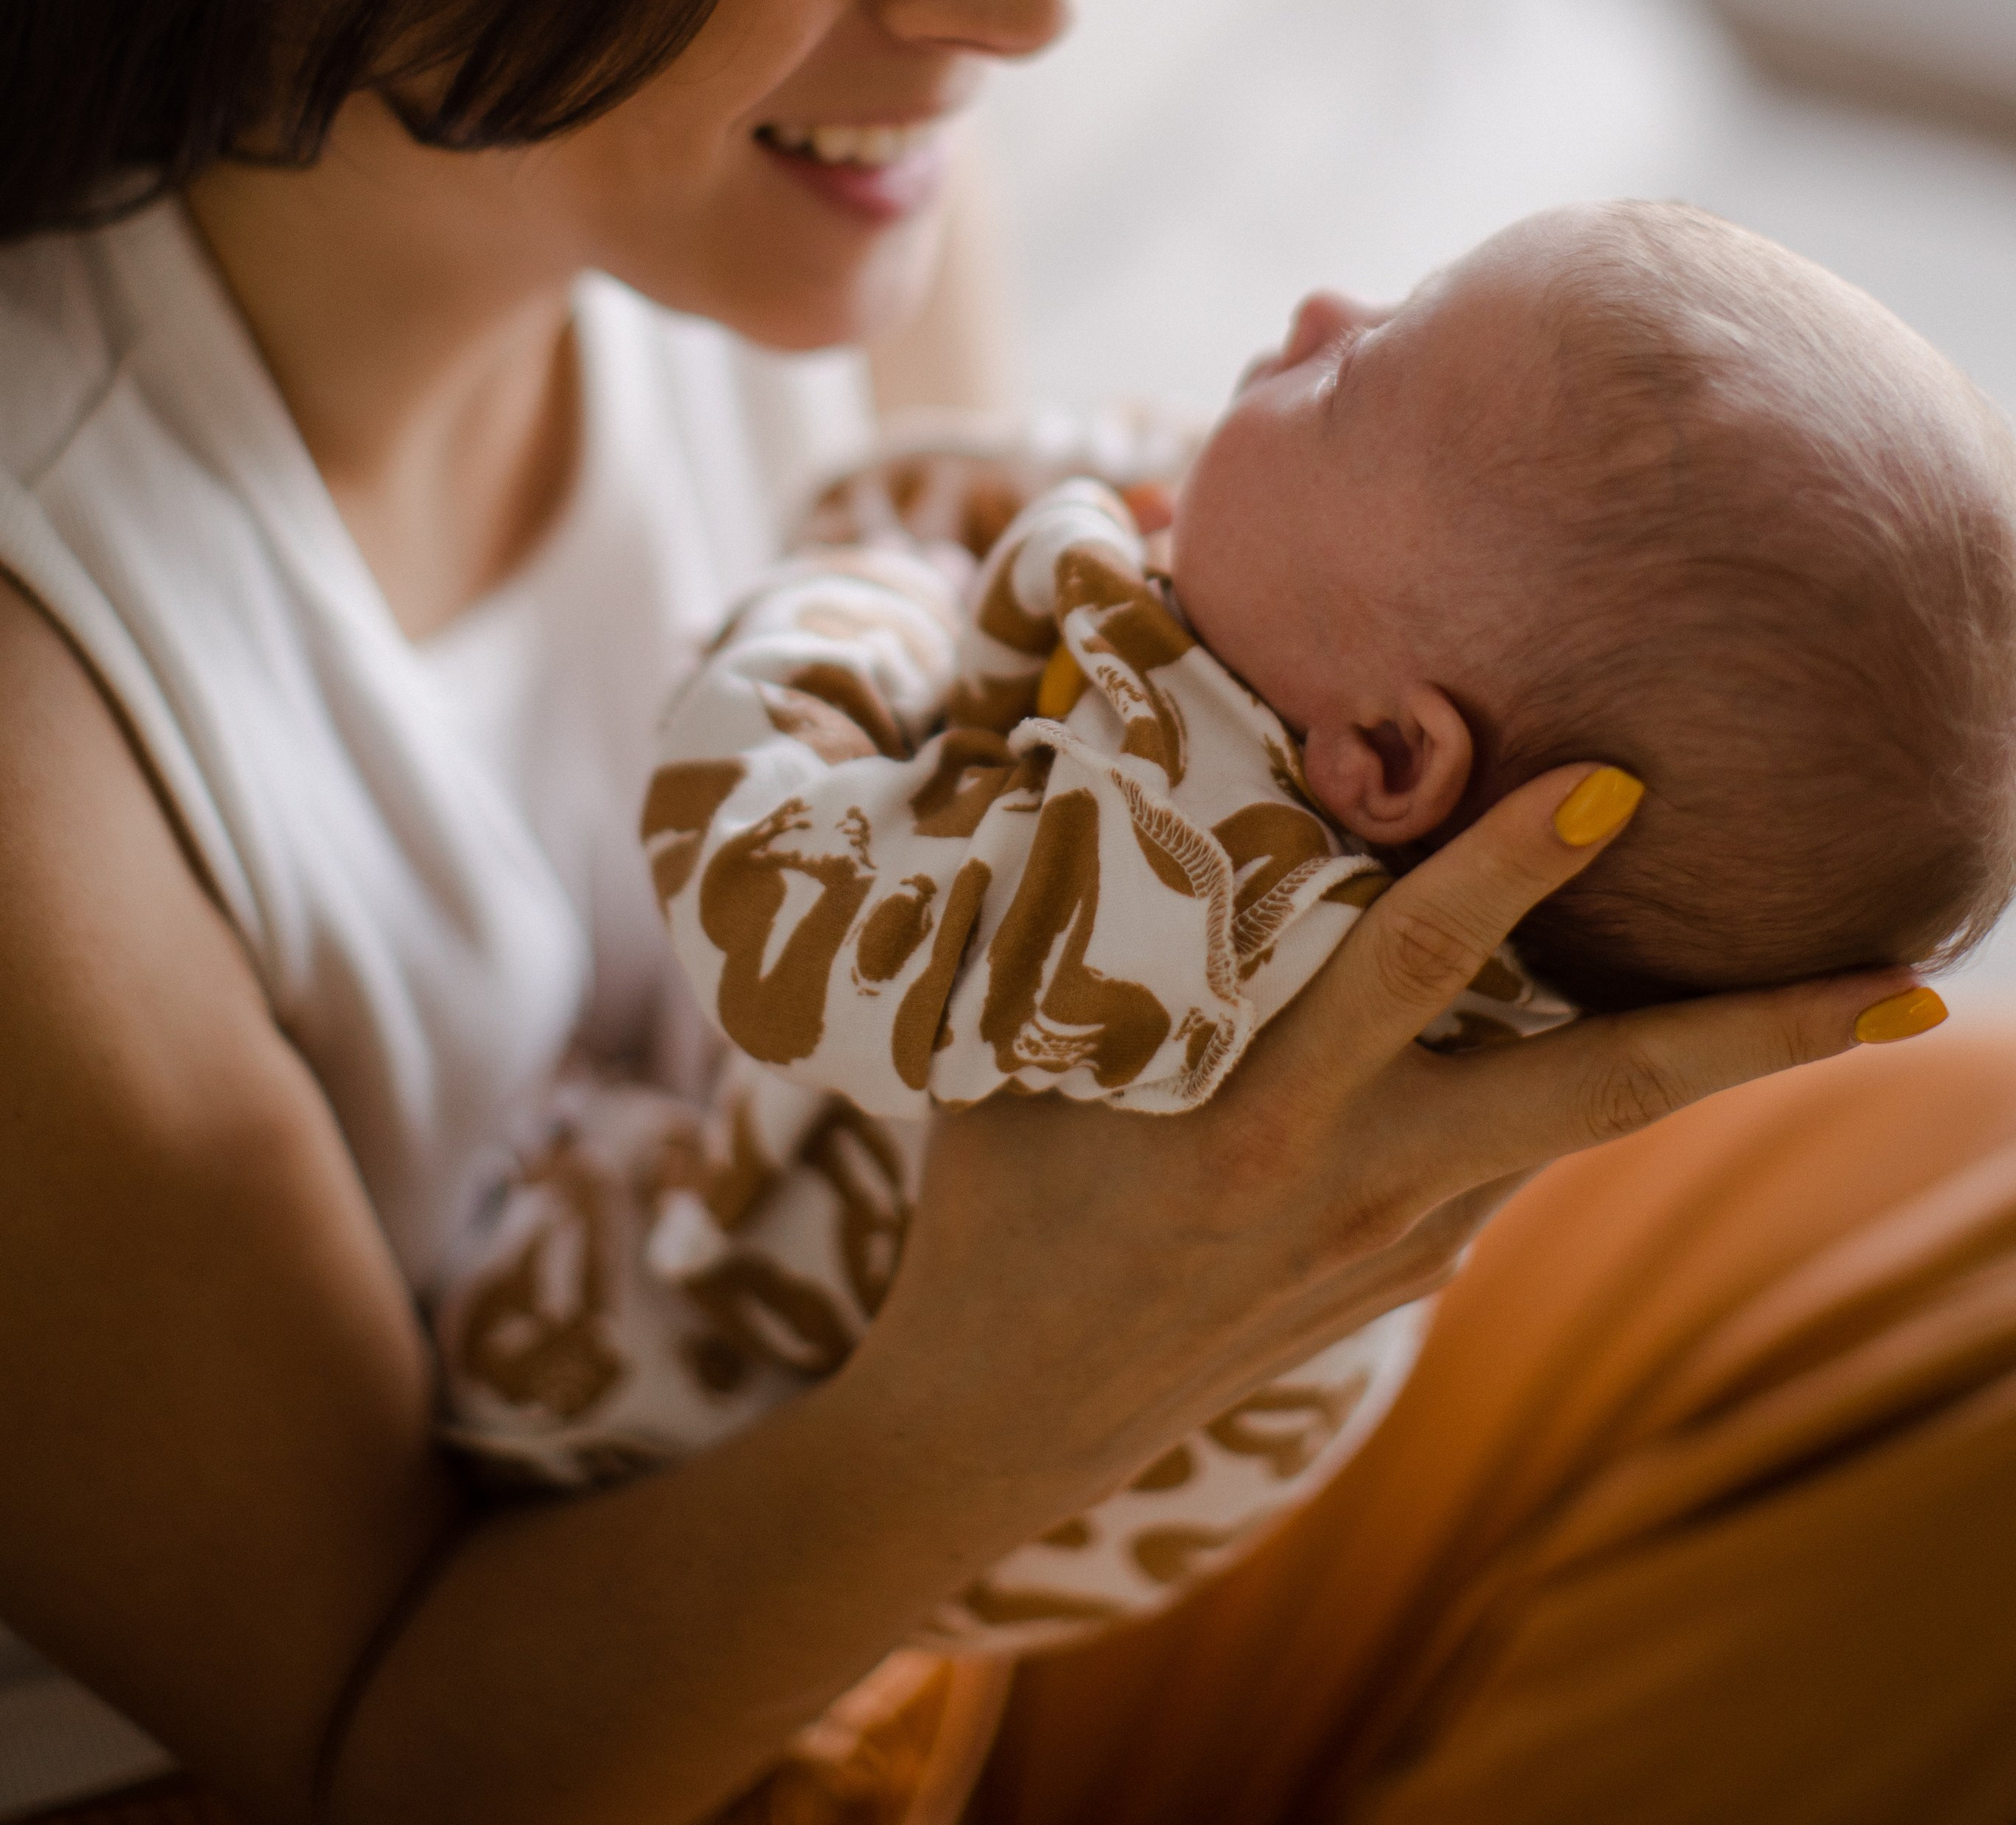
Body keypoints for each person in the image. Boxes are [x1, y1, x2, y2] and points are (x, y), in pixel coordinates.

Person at [0, 0, 2009, 1825]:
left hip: (951, 1407)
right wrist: (1057, 1367)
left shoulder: (812, 211)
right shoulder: (52, 698)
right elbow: (378, 1749)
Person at [428, 198, 2016, 1657]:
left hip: (771, 1424)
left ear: (1385, 764)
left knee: (513, 1328)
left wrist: (862, 588)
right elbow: (1128, 506)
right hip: (1064, 1433)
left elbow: (772, 892)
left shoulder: (1182, 918)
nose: (1320, 306)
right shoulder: (1318, 700)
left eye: (1354, 377)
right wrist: (1073, 505)